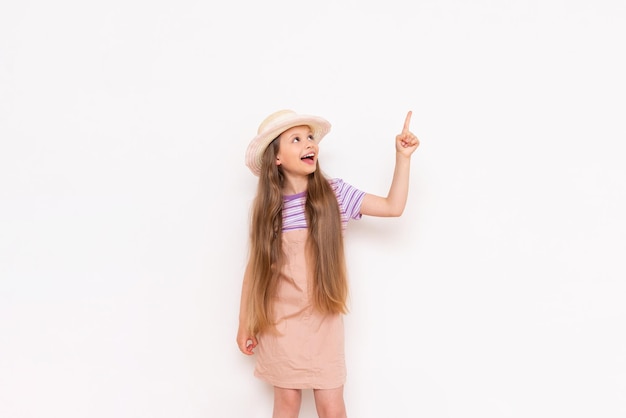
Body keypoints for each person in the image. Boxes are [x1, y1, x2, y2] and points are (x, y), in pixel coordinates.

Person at [237, 109, 420, 418]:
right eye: (295, 139)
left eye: (309, 137)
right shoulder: (269, 209)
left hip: (324, 321)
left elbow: (393, 207)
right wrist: (244, 324)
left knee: (331, 407)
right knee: (286, 404)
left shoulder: (336, 194)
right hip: (279, 324)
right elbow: (256, 271)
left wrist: (403, 158)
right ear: (277, 158)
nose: (308, 144)